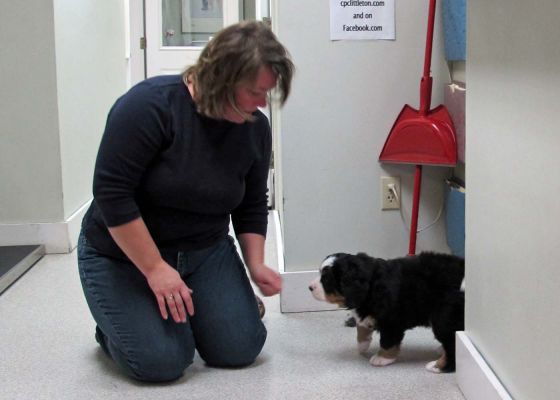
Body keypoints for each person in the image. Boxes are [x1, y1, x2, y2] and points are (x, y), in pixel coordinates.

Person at [77, 20, 294, 382]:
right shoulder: (149, 106)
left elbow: (253, 202)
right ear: (223, 79)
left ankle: (192, 313)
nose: (262, 104)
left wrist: (256, 266)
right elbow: (112, 194)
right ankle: (113, 328)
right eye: (255, 92)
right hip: (124, 255)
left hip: (204, 248)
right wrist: (155, 269)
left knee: (240, 348)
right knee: (161, 362)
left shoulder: (254, 127)